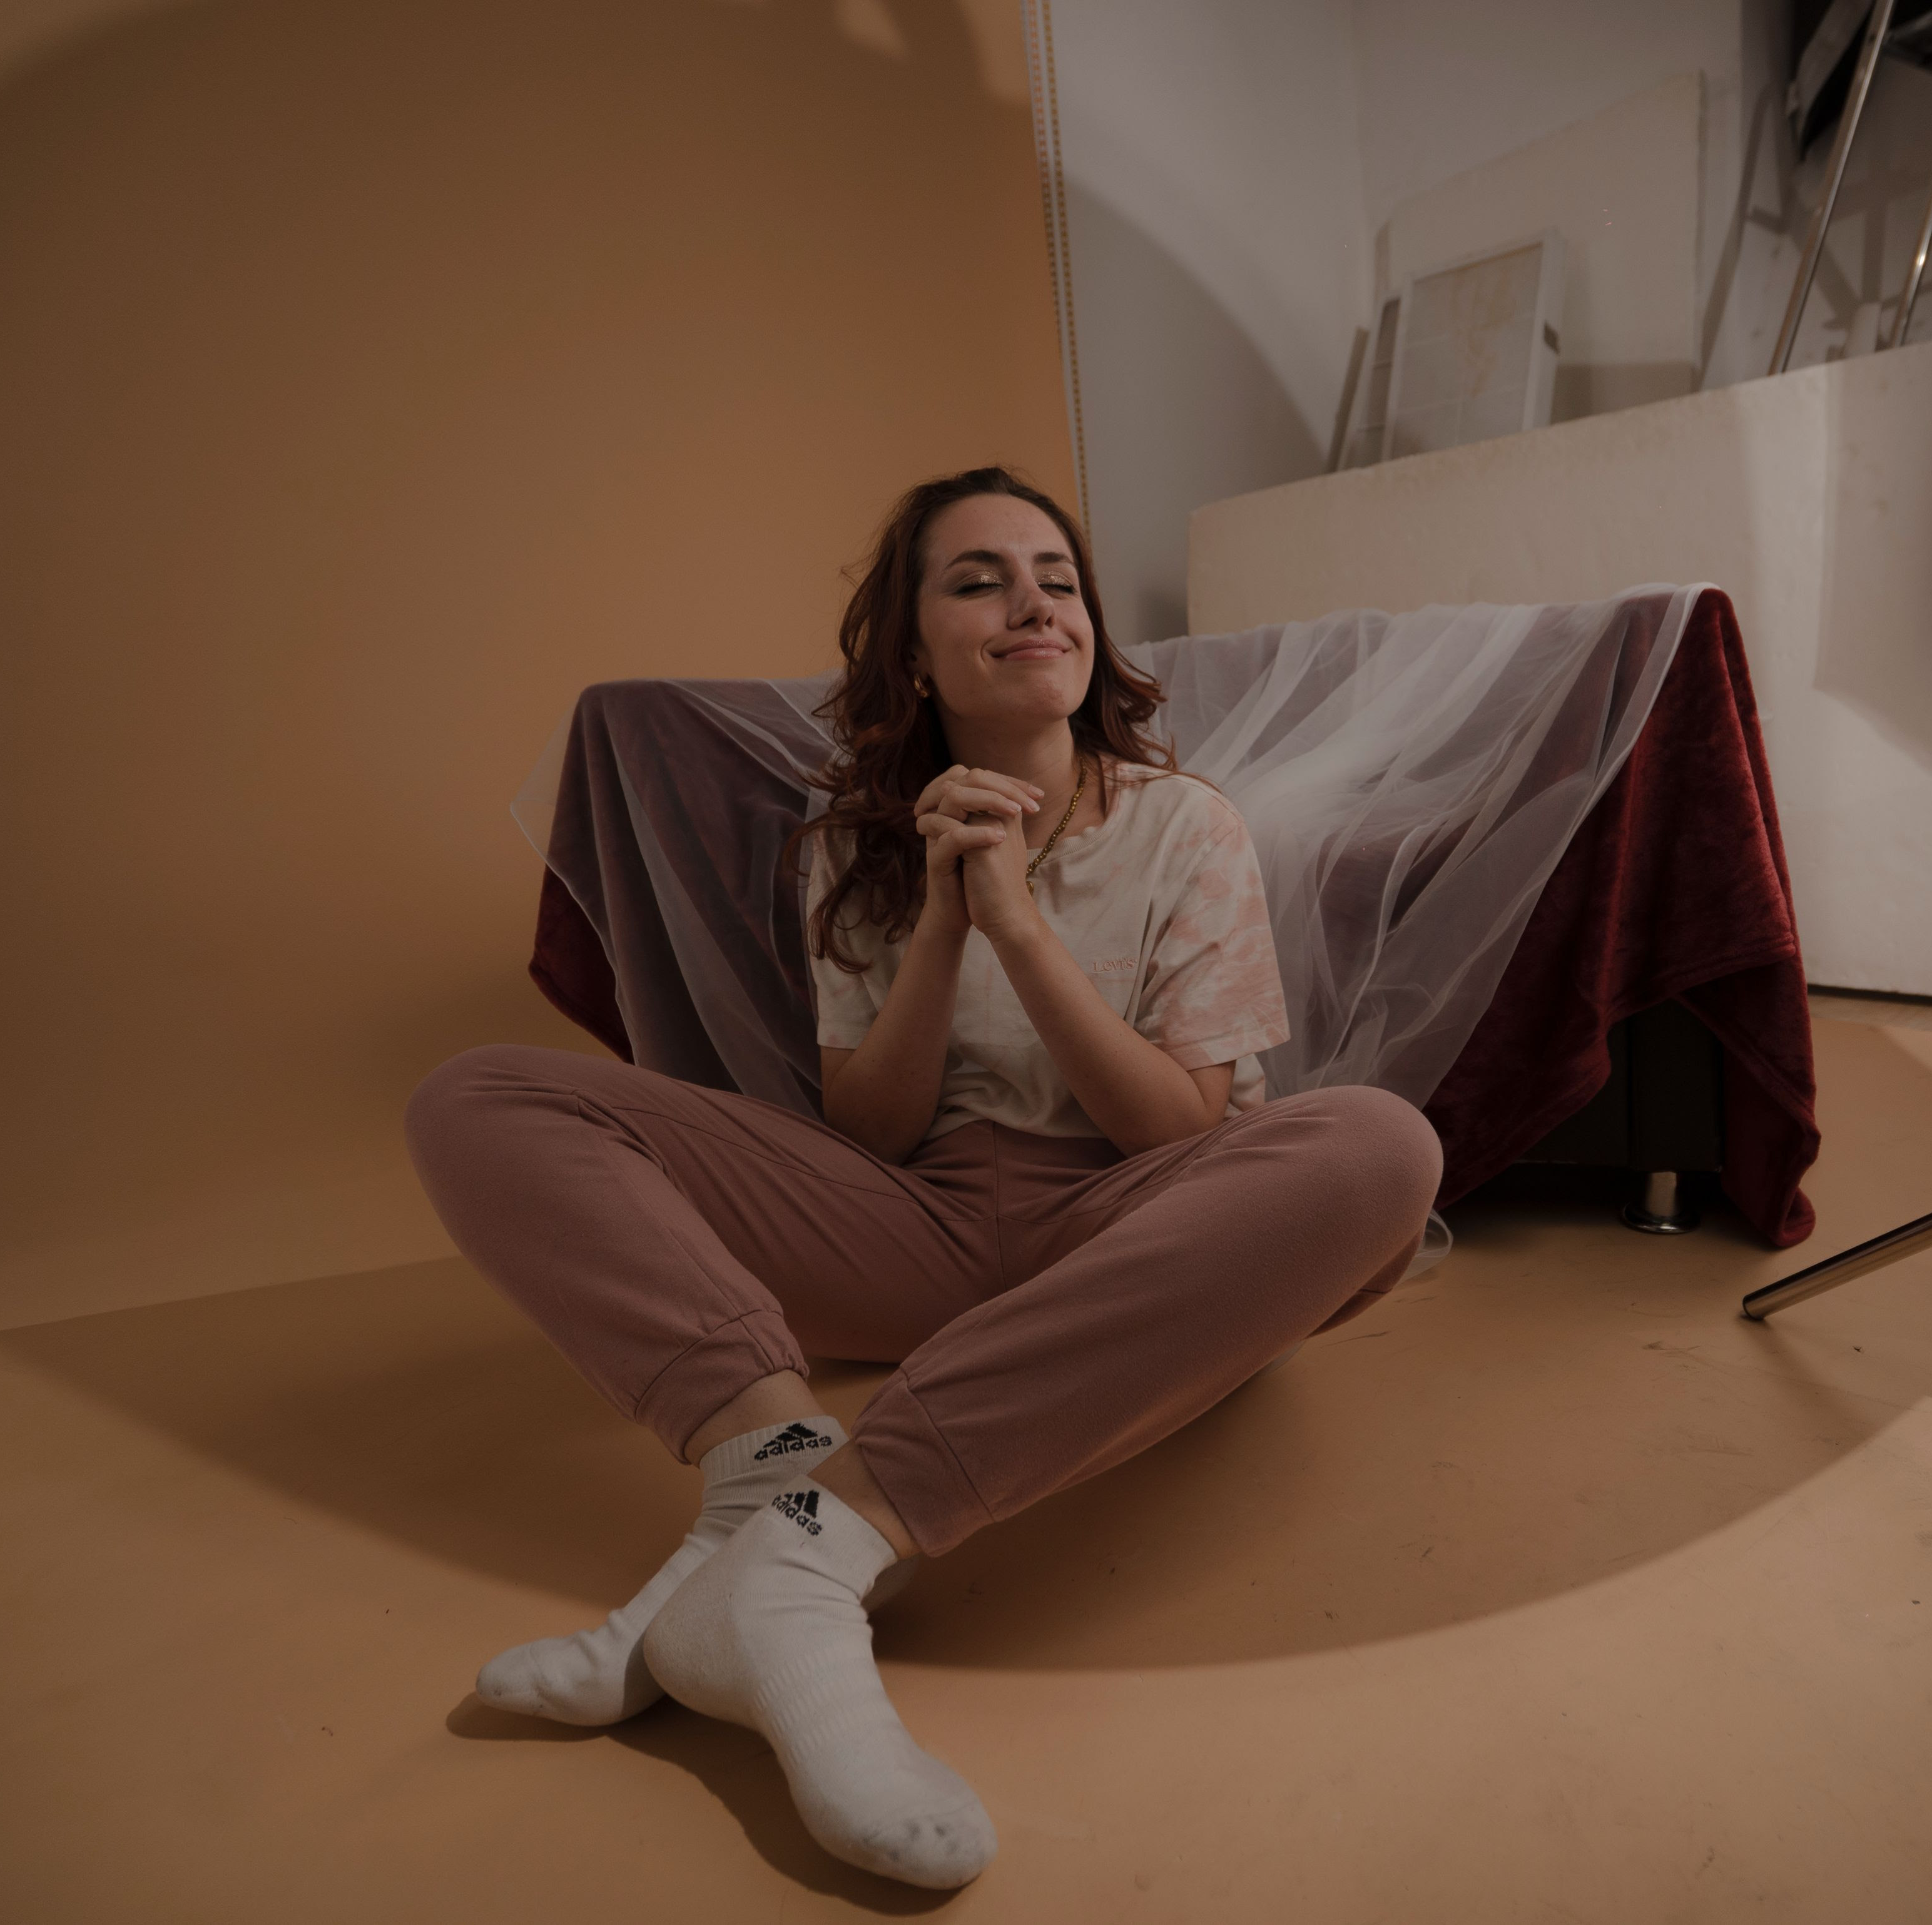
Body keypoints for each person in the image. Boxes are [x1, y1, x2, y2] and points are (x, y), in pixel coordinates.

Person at [404, 467, 1443, 1889]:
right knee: (480, 1096)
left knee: (1380, 1145)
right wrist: (943, 918)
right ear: (912, 651)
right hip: (917, 1221)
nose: (1034, 604)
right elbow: (873, 1134)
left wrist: (1021, 926)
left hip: (1133, 1233)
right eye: (979, 580)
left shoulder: (1186, 825)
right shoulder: (852, 846)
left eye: (1057, 579)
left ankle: (805, 1553)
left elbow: (1176, 1136)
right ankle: (767, 1471)